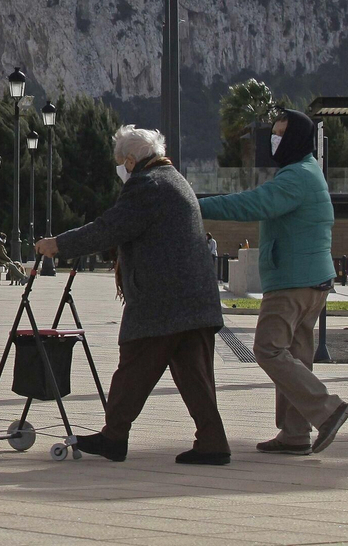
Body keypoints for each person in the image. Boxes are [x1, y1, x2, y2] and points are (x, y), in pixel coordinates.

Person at [34, 125, 229, 465]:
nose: (119, 168)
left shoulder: (148, 185)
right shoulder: (174, 179)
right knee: (194, 374)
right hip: (194, 298)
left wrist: (59, 245)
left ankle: (114, 437)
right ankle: (212, 442)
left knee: (134, 365)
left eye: (119, 162)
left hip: (163, 302)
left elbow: (110, 228)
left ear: (129, 159)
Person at [200, 109, 348, 456]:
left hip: (292, 282)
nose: (275, 140)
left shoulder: (296, 177)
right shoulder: (308, 172)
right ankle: (294, 434)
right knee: (296, 354)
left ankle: (327, 410)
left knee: (268, 349)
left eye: (282, 133)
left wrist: (198, 205)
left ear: (297, 138)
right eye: (275, 132)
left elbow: (252, 204)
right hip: (312, 280)